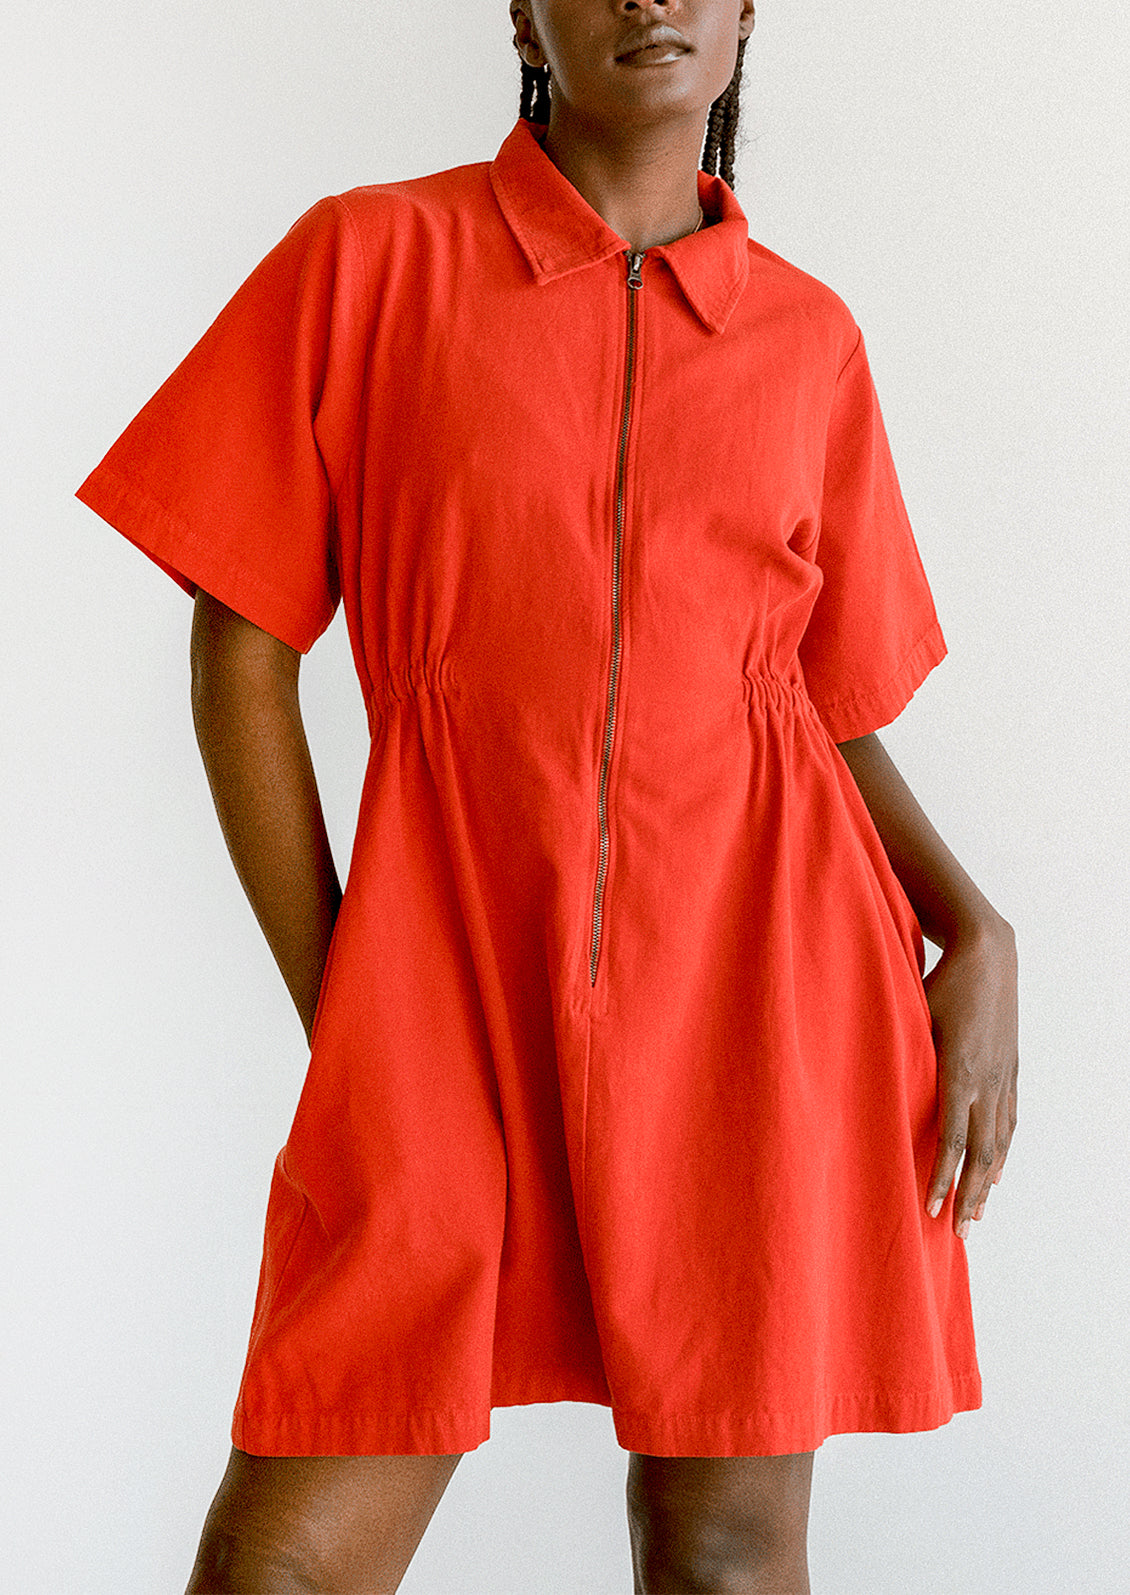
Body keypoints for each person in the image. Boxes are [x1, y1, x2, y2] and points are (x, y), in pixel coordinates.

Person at [76, 1, 1019, 1590]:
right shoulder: (370, 260)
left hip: (758, 993)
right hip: (446, 977)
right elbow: (241, 648)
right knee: (284, 1562)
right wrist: (350, 1008)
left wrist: (972, 925)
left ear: (741, 17)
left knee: (722, 1552)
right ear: (523, 9)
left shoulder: (807, 338)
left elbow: (811, 698)